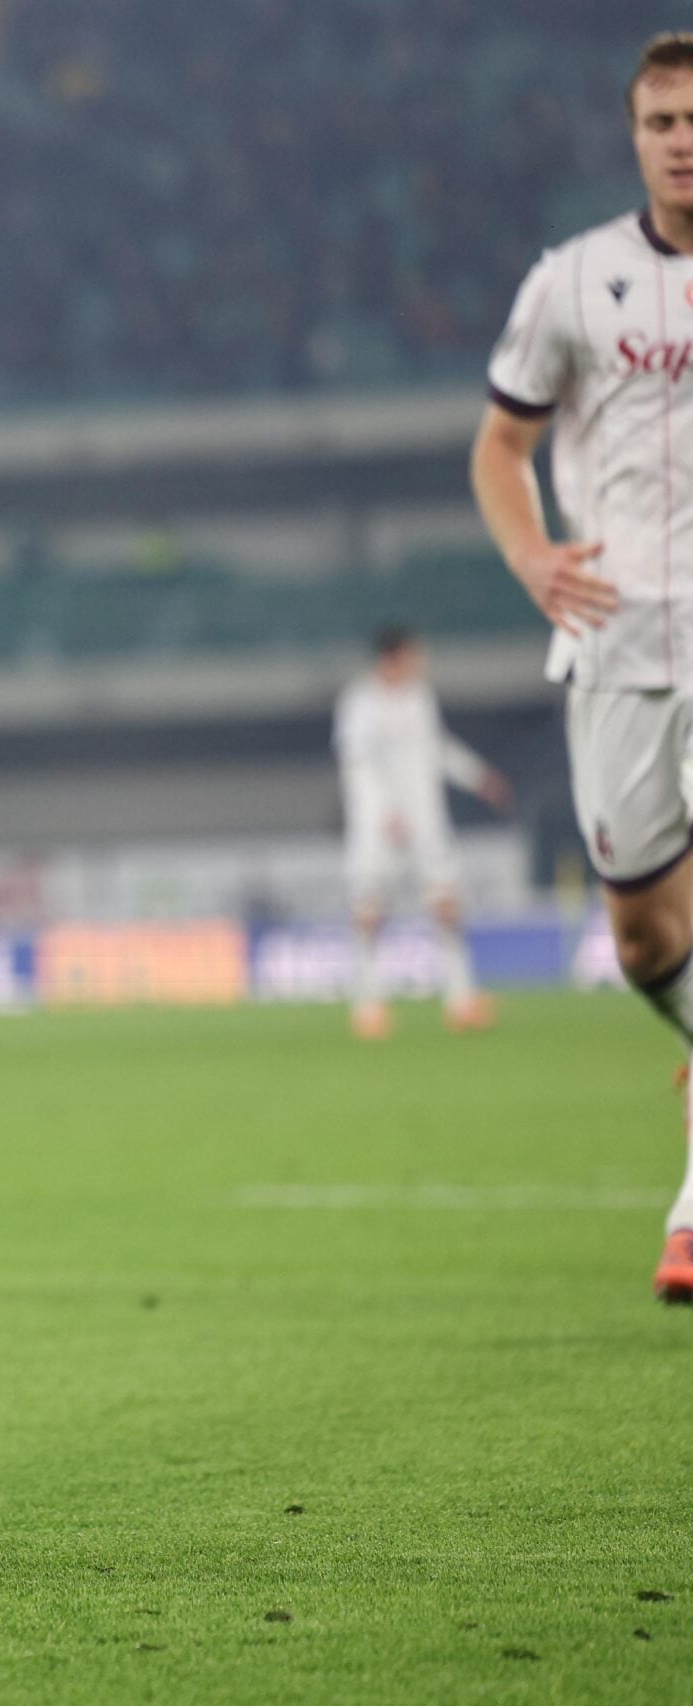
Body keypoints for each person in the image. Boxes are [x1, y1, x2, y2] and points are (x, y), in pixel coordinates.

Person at [473, 30, 693, 1303]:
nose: (682, 140)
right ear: (634, 136)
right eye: (662, 121)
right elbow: (498, 447)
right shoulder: (572, 281)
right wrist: (530, 555)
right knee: (641, 931)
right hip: (615, 638)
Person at [333, 626, 513, 1039]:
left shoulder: (419, 697)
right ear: (392, 657)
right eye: (414, 655)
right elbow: (358, 765)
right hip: (377, 828)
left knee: (447, 905)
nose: (420, 663)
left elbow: (438, 749)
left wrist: (479, 777)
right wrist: (386, 812)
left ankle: (461, 1000)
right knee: (369, 912)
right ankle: (368, 1005)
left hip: (426, 820)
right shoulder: (359, 703)